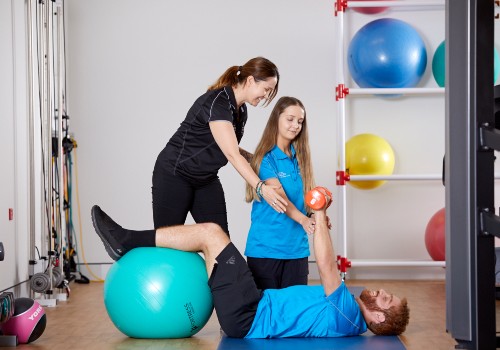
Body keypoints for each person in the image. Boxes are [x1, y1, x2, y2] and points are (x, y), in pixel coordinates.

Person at [91, 188, 409, 338]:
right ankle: (129, 239)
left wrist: (321, 211)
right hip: (253, 304)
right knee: (212, 240)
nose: (382, 291)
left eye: (386, 299)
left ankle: (125, 240)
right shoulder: (347, 314)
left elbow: (326, 265)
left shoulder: (348, 315)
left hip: (249, 314)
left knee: (212, 235)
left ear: (379, 317)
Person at [151, 56, 287, 242]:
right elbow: (231, 154)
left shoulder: (240, 110)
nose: (266, 96)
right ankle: (125, 239)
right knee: (167, 240)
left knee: (221, 242)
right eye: (266, 90)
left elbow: (226, 145)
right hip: (175, 173)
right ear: (249, 81)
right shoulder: (218, 101)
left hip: (205, 178)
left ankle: (222, 271)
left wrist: (255, 157)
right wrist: (262, 188)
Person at [244, 96, 316, 290]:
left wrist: (314, 215)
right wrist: (303, 220)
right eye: (290, 119)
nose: (295, 125)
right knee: (269, 314)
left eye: (300, 121)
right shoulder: (265, 158)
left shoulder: (301, 158)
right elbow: (280, 199)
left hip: (297, 251)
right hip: (266, 251)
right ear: (277, 118)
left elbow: (303, 200)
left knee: (295, 313)